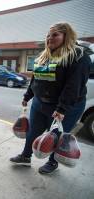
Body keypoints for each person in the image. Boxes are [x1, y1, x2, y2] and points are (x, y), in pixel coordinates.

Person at [10, 22, 91, 174]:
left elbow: (74, 86)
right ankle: (26, 156)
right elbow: (36, 79)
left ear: (66, 36)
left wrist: (62, 108)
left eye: (55, 35)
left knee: (56, 136)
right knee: (33, 131)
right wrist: (28, 96)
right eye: (48, 35)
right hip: (40, 103)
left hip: (65, 107)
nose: (49, 38)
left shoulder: (78, 56)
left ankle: (52, 163)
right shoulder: (45, 56)